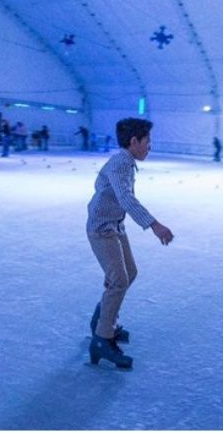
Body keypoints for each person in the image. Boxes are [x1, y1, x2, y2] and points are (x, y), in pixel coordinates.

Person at [87, 118, 175, 369]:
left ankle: (101, 321)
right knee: (119, 280)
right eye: (147, 141)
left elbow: (123, 199)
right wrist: (154, 225)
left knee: (129, 273)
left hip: (115, 225)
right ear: (133, 141)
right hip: (102, 228)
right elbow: (126, 199)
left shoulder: (127, 163)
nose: (150, 146)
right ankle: (102, 339)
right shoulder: (120, 164)